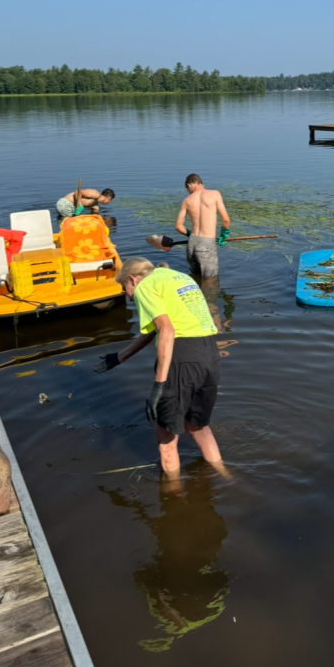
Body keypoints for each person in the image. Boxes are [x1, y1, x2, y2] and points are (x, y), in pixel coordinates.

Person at [94, 257, 227, 480]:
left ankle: (172, 497)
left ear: (132, 280)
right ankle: (225, 475)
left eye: (124, 289)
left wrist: (159, 385)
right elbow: (159, 329)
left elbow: (166, 330)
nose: (127, 296)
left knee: (166, 438)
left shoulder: (144, 286)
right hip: (209, 353)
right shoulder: (176, 277)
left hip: (181, 357)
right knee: (198, 426)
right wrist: (120, 357)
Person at [174, 174, 230, 282]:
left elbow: (178, 226)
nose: (188, 191)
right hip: (206, 244)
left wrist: (190, 234)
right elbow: (226, 220)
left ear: (190, 184)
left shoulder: (187, 200)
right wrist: (224, 234)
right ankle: (209, 299)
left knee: (195, 278)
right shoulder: (214, 194)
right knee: (210, 281)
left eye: (187, 189)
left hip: (192, 243)